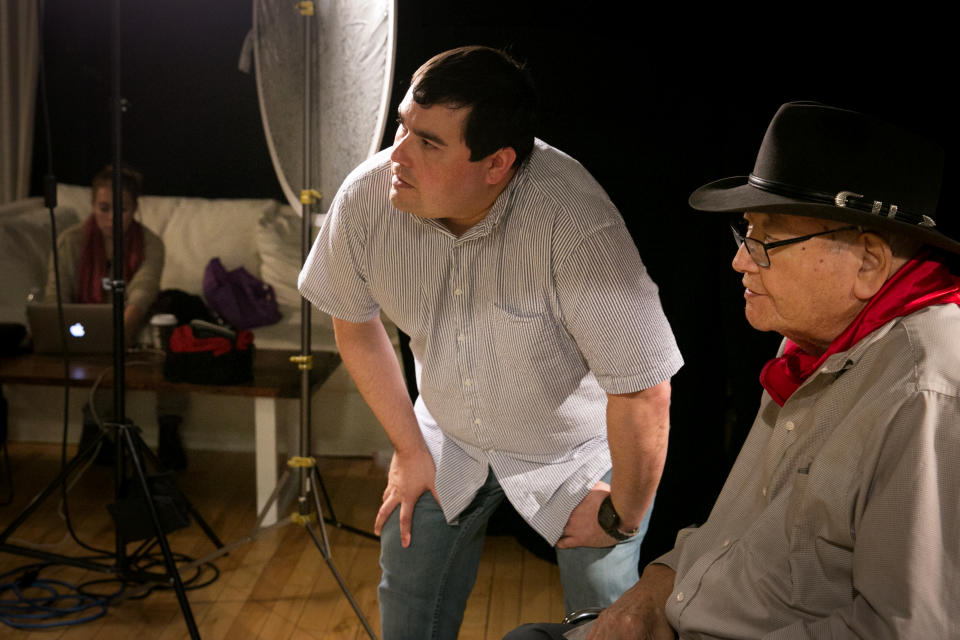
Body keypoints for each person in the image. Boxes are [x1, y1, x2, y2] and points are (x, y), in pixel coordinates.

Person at [507, 102, 960, 639]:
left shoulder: (923, 393)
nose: (741, 261)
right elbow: (730, 533)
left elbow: (905, 630)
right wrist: (653, 587)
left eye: (768, 240)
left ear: (867, 262)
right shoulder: (811, 347)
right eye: (746, 233)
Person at [298, 45, 683, 638]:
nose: (395, 155)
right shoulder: (370, 195)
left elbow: (645, 388)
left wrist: (624, 514)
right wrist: (406, 448)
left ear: (497, 163)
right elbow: (353, 322)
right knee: (407, 599)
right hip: (447, 433)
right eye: (403, 126)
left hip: (573, 451)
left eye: (429, 142)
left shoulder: (576, 222)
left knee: (610, 621)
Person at [45, 165, 186, 470]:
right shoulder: (71, 241)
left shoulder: (150, 243)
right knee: (103, 356)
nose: (111, 218)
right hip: (83, 327)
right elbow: (56, 296)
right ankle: (96, 432)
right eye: (104, 208)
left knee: (171, 341)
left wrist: (118, 333)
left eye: (120, 210)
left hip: (134, 325)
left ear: (135, 209)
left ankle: (169, 427)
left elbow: (142, 292)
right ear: (93, 206)